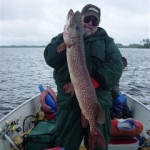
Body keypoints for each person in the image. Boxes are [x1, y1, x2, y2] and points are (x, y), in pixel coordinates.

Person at [44, 4, 123, 150]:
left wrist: (97, 79)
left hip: (98, 102)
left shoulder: (106, 42)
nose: (90, 24)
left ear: (98, 24)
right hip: (68, 105)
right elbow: (50, 58)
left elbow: (117, 65)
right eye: (87, 19)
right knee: (65, 146)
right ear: (81, 21)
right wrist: (63, 37)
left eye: (95, 21)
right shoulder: (64, 39)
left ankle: (94, 134)